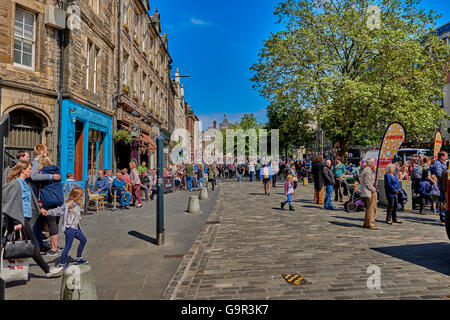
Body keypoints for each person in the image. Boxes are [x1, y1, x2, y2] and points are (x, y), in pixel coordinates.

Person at [2, 161, 63, 277]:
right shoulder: (16, 184)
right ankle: (47, 270)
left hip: (25, 218)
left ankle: (47, 270)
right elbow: (12, 203)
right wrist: (16, 221)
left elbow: (30, 200)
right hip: (20, 219)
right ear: (22, 170)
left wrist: (40, 209)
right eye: (29, 169)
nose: (31, 171)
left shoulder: (26, 184)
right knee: (33, 245)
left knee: (13, 243)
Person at [29, 144, 61, 255]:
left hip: (43, 198)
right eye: (46, 151)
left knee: (41, 223)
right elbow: (34, 177)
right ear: (43, 152)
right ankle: (42, 246)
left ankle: (42, 246)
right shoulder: (35, 164)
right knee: (39, 223)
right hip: (38, 198)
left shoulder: (42, 167)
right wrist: (52, 177)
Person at [47, 187, 89, 268]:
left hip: (76, 228)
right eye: (81, 195)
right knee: (68, 246)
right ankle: (62, 263)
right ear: (77, 195)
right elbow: (58, 210)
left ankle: (78, 258)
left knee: (83, 240)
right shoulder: (69, 204)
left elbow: (75, 213)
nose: (82, 197)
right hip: (70, 229)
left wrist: (78, 217)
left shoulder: (77, 203)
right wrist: (48, 212)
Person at [38, 156, 65, 256]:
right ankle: (56, 246)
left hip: (48, 200)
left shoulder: (42, 173)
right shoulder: (58, 170)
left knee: (51, 223)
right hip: (59, 199)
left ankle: (53, 248)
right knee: (56, 223)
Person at [361, 158, 378, 230]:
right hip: (369, 192)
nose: (375, 164)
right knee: (371, 208)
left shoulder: (369, 170)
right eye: (374, 162)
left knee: (369, 208)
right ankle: (370, 223)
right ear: (371, 163)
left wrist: (374, 172)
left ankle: (366, 222)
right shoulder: (367, 170)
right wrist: (373, 190)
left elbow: (371, 180)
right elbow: (368, 182)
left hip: (369, 191)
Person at [433, 151, 448, 222]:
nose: (446, 157)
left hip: (446, 183)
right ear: (441, 156)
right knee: (442, 200)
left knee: (446, 200)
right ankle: (443, 216)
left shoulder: (444, 163)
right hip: (442, 184)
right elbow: (439, 175)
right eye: (445, 156)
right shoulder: (437, 163)